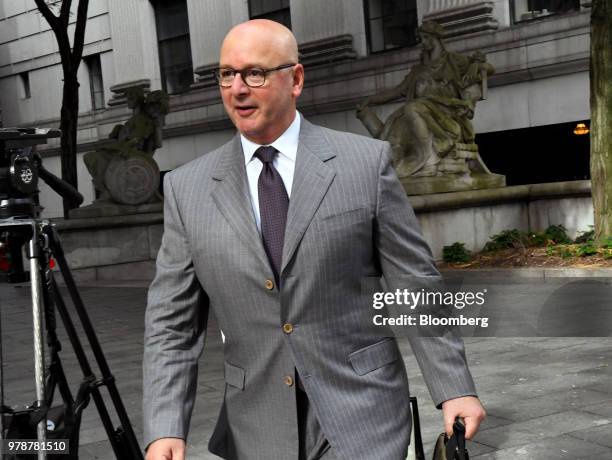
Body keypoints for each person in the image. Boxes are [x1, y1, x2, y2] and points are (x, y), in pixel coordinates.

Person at [143, 19, 486, 460]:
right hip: (257, 426)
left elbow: (414, 286)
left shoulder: (364, 163)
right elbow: (171, 323)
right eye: (227, 74)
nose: (238, 88)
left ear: (296, 79)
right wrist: (164, 428)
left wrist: (454, 387)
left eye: (255, 73)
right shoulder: (186, 189)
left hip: (364, 410)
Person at [356, 21, 494, 178]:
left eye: (426, 38)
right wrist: (371, 100)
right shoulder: (418, 70)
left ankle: (430, 153)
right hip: (421, 111)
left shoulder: (455, 61)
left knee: (411, 109)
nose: (423, 42)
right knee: (397, 123)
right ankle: (410, 158)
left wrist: (475, 66)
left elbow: (488, 69)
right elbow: (397, 91)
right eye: (422, 38)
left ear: (436, 38)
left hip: (448, 113)